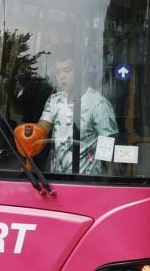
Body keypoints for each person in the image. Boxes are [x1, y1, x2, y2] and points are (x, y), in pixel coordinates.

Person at [37, 47, 118, 175]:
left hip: (87, 184)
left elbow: (109, 152)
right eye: (58, 72)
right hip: (56, 183)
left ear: (81, 70)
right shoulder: (54, 101)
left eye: (67, 70)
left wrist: (113, 183)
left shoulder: (99, 105)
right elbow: (39, 132)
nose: (61, 76)